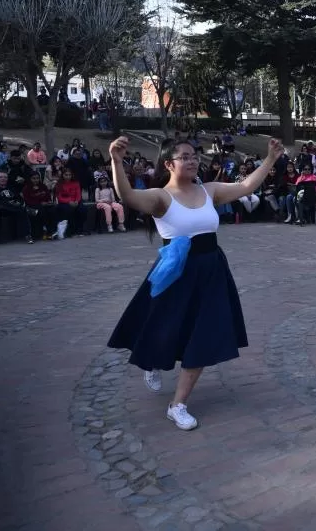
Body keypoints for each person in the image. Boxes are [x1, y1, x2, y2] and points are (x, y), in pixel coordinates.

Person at [107, 136, 283, 431]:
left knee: (204, 334)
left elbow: (245, 187)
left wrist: (270, 159)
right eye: (185, 156)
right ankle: (151, 361)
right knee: (163, 328)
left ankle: (178, 405)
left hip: (211, 270)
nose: (192, 160)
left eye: (194, 156)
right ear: (169, 164)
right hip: (176, 272)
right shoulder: (160, 198)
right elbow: (128, 197)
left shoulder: (209, 190)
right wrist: (116, 161)